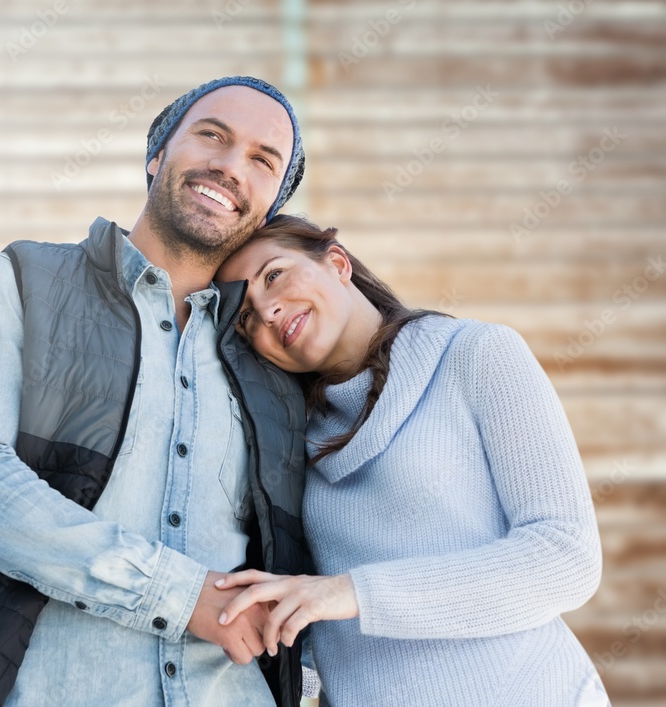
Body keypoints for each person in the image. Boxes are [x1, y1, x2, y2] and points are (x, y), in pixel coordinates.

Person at [0, 77, 312, 707]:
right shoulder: (29, 281)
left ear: (270, 206)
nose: (228, 164)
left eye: (261, 160)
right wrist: (179, 594)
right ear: (157, 154)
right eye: (211, 135)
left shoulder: (273, 355)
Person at [212, 214, 608, 706]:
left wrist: (354, 594)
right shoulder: (286, 444)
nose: (268, 311)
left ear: (337, 263)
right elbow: (312, 629)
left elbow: (565, 557)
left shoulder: (476, 355)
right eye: (246, 317)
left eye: (273, 276)